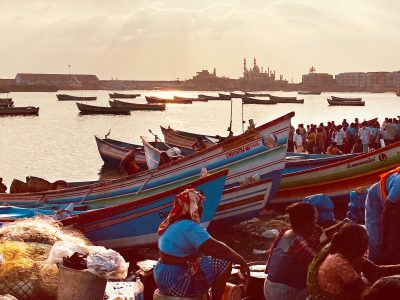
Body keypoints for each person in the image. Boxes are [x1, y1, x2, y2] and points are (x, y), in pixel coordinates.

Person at [153, 188, 250, 299]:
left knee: (204, 259)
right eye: (199, 204)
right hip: (174, 280)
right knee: (224, 261)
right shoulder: (188, 226)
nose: (202, 208)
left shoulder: (173, 224)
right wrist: (242, 261)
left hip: (162, 277)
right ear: (192, 206)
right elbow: (217, 249)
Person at [308, 223, 400, 300]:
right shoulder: (338, 262)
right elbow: (366, 293)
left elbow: (376, 270)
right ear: (352, 245)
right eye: (363, 244)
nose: (366, 248)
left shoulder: (349, 253)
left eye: (366, 243)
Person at [264, 202, 323, 300]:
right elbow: (322, 260)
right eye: (314, 220)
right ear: (306, 224)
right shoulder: (305, 241)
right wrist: (322, 240)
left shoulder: (282, 233)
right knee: (325, 284)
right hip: (285, 294)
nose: (316, 224)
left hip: (268, 288)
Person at [365, 166, 400, 264]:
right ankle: (376, 263)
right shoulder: (399, 185)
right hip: (377, 195)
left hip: (394, 200)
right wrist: (384, 240)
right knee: (377, 236)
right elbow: (386, 213)